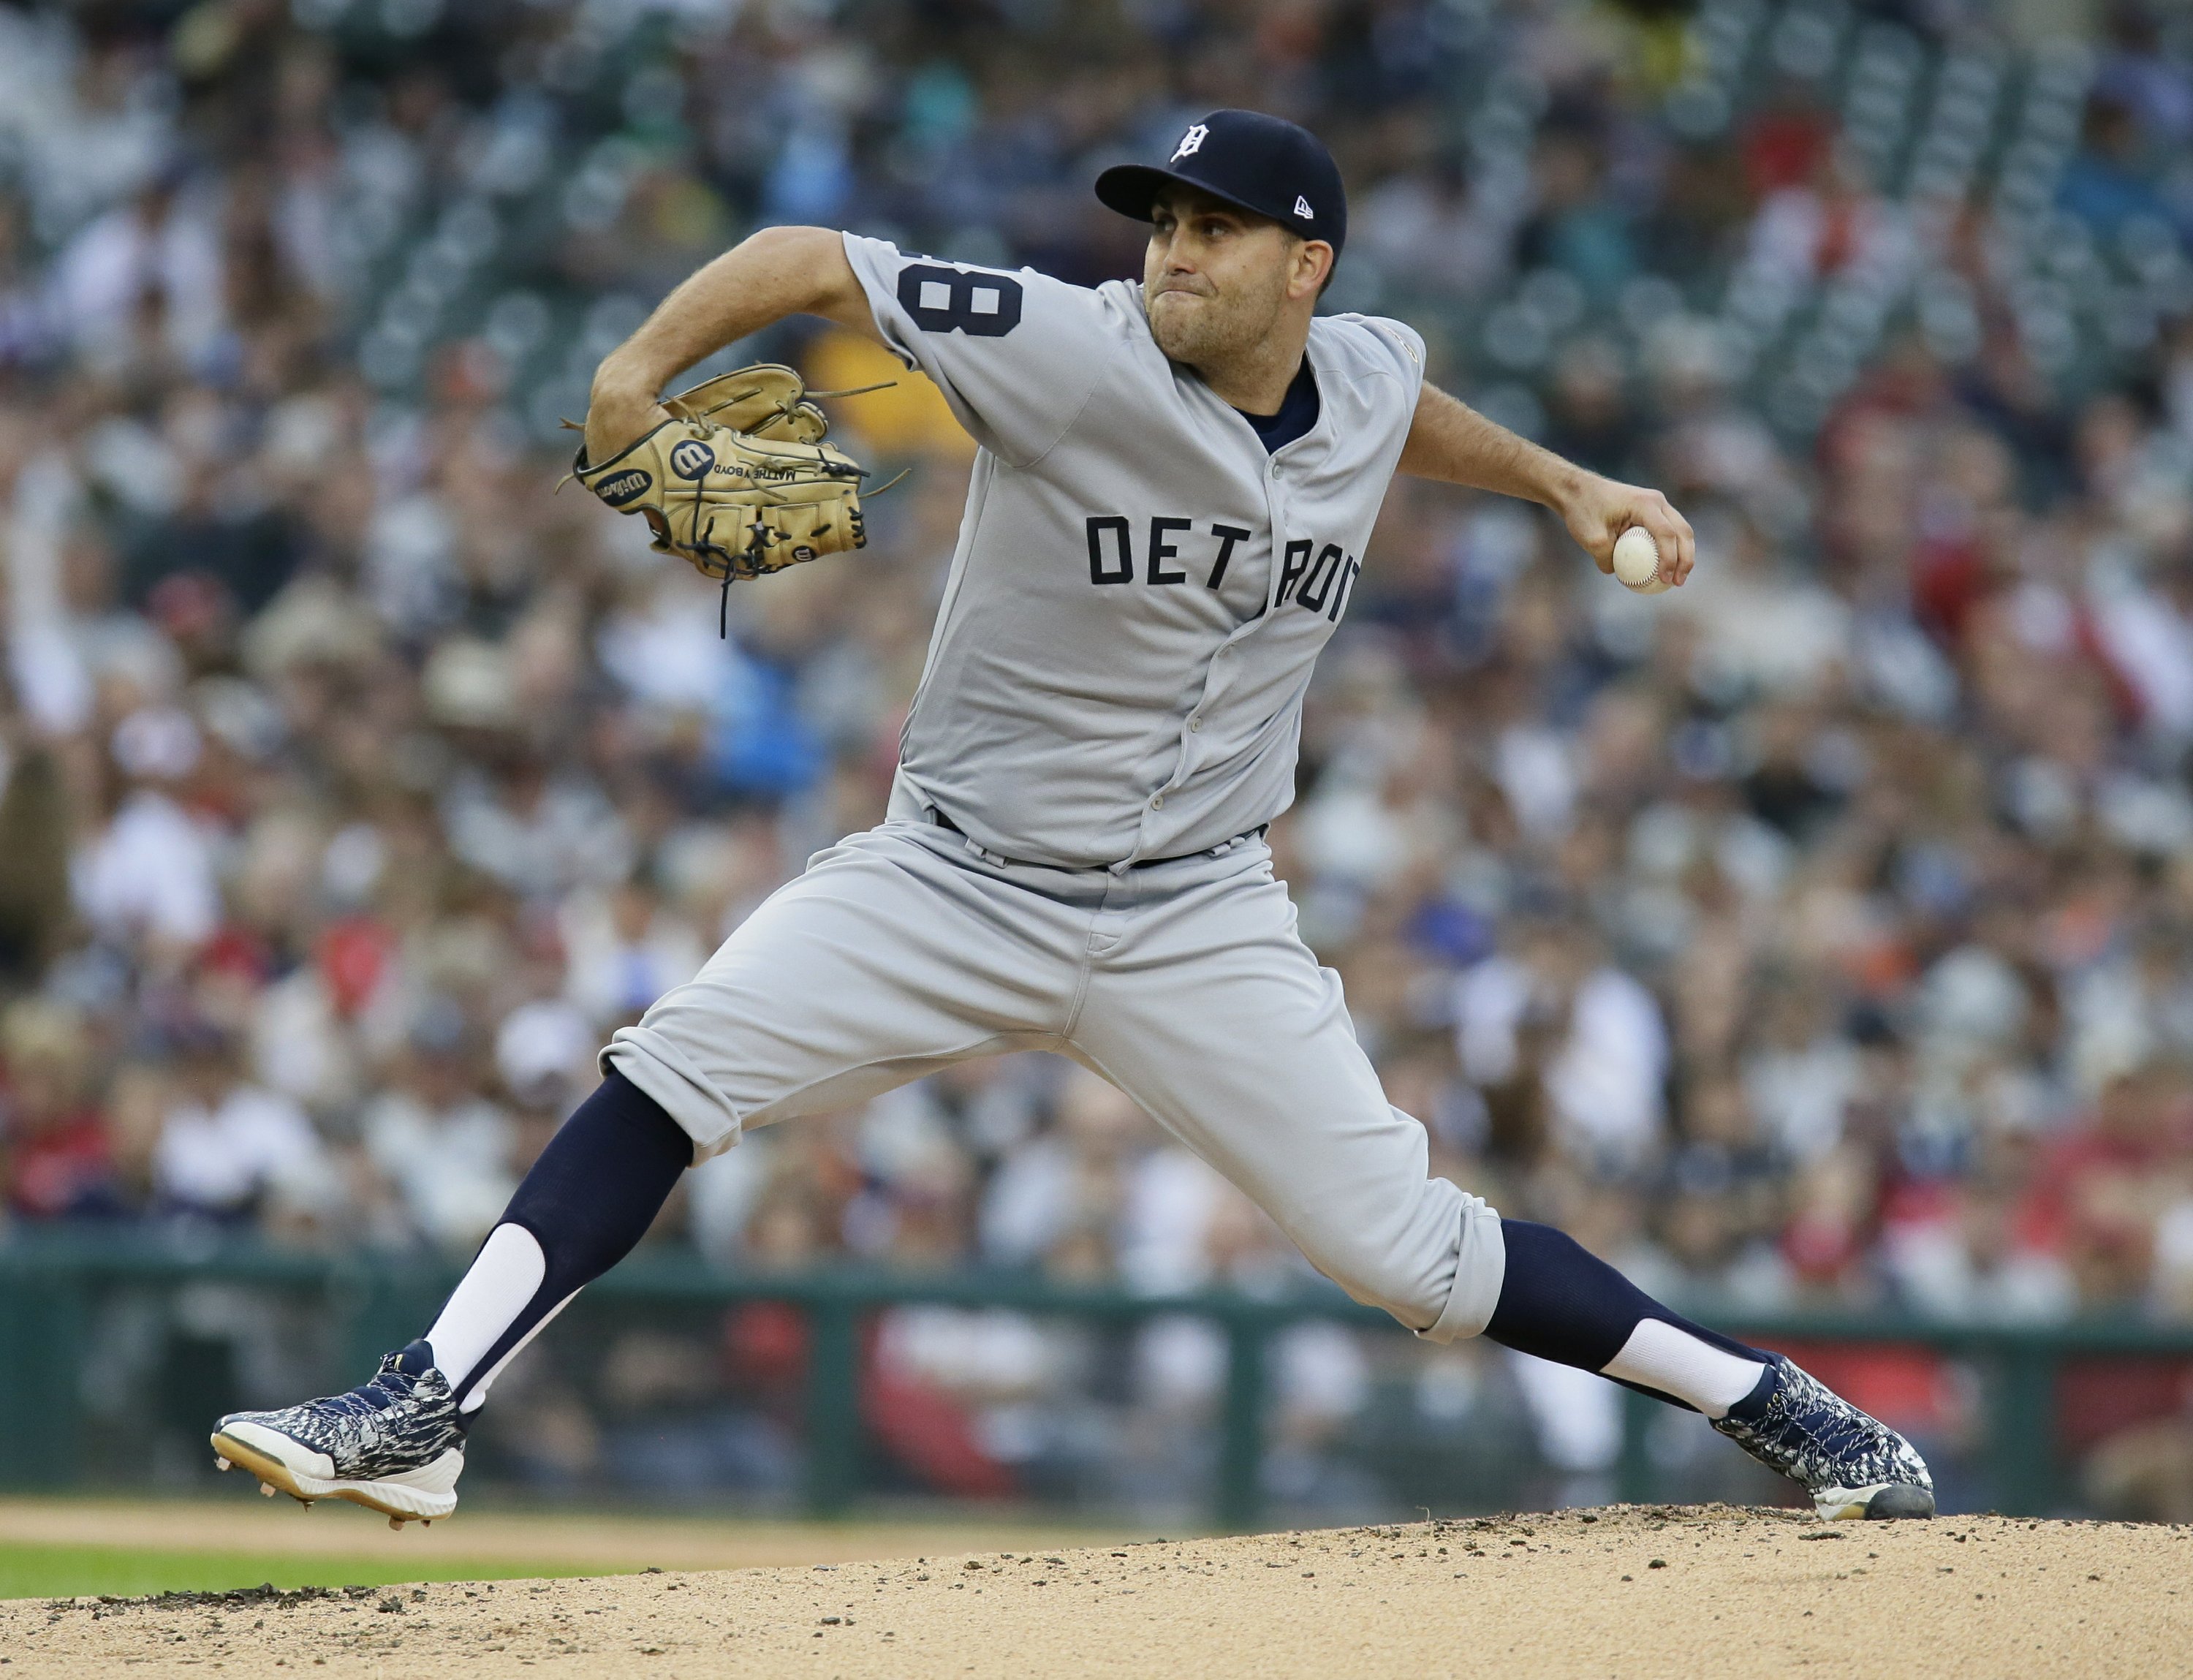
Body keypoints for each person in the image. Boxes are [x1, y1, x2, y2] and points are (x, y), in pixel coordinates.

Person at [210, 110, 1931, 1526]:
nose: (1172, 251)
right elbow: (809, 261)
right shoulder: (1066, 344)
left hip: (1197, 914)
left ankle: (1777, 1406)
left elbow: (1401, 413)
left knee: (1409, 1253)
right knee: (674, 1069)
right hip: (954, 877)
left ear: (1305, 269)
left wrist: (1566, 483)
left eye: (1216, 229)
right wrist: (637, 368)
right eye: (1162, 221)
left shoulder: (1376, 370)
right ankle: (423, 1406)